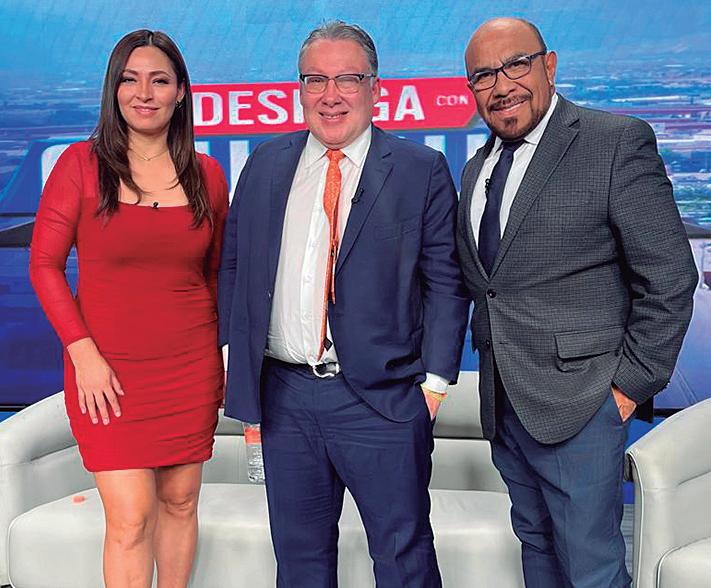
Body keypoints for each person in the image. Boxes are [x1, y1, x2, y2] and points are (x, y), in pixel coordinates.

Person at [218, 20, 468, 588]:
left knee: (403, 561)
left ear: (375, 88)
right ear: (300, 89)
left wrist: (432, 388)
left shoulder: (418, 170)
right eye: (316, 80)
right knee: (299, 563)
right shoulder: (264, 164)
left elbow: (446, 283)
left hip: (382, 401)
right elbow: (234, 265)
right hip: (285, 399)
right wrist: (238, 361)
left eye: (347, 79)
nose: (330, 95)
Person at [457, 17, 698, 587]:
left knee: (592, 571)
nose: (501, 85)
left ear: (549, 65)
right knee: (538, 555)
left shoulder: (613, 141)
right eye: (484, 75)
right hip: (507, 406)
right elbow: (491, 286)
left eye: (516, 65)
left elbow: (669, 276)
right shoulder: (476, 169)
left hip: (583, 405)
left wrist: (626, 389)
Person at [29, 29, 228, 588]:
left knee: (181, 502)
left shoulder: (209, 176)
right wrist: (83, 354)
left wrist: (220, 358)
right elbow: (44, 266)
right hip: (106, 371)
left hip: (189, 366)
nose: (144, 93)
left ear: (180, 92)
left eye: (159, 80)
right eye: (130, 79)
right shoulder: (79, 164)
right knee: (131, 516)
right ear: (113, 89)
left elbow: (215, 276)